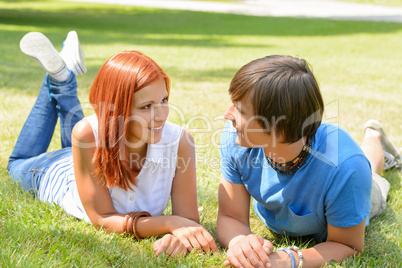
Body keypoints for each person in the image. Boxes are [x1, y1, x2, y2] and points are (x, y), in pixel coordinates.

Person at [8, 31, 217, 258]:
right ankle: (60, 78)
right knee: (16, 163)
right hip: (55, 171)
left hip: (91, 154)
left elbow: (188, 221)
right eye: (146, 106)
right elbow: (102, 218)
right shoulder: (88, 134)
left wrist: (177, 234)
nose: (161, 115)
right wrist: (168, 222)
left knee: (87, 133)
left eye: (164, 101)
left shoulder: (180, 142)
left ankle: (61, 75)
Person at [217, 55, 401, 268]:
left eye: (240, 110)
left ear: (281, 128)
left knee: (373, 179)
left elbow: (347, 245)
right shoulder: (237, 139)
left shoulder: (346, 168)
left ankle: (373, 136)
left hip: (357, 182)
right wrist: (240, 242)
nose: (226, 115)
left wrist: (286, 261)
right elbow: (231, 216)